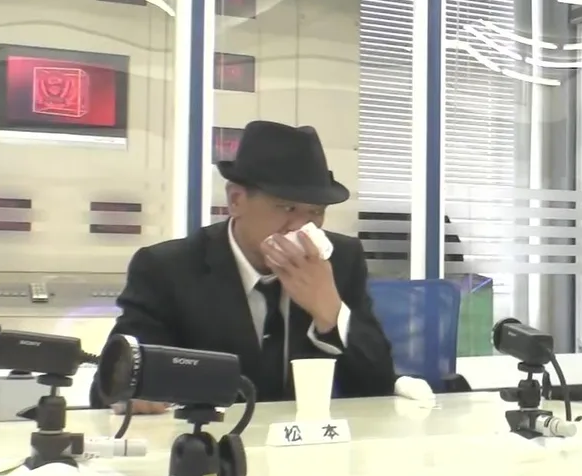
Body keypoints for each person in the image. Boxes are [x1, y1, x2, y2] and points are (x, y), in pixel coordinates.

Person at [97, 120, 397, 414]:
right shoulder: (168, 268)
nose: (301, 227)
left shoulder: (339, 261)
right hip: (210, 436)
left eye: (316, 212)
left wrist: (331, 313)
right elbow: (112, 384)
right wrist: (133, 392)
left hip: (306, 438)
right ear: (236, 200)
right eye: (287, 208)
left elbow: (380, 385)